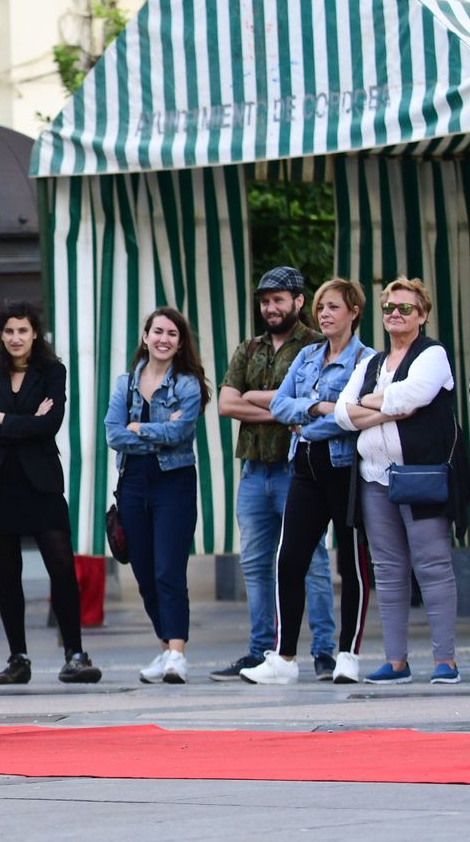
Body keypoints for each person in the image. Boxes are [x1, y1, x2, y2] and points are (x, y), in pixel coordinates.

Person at [335, 277, 468, 686]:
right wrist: (382, 411)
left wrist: (370, 405)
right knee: (388, 569)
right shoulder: (370, 363)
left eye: (405, 308)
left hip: (420, 476)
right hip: (374, 477)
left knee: (432, 565)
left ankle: (444, 660)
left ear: (422, 314)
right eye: (389, 307)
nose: (395, 313)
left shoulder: (434, 354)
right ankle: (396, 662)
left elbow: (410, 397)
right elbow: (342, 412)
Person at [242, 279, 375, 686]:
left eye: (333, 307)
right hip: (303, 467)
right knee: (289, 559)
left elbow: (354, 416)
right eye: (321, 308)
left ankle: (348, 653)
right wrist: (317, 407)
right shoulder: (308, 355)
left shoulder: (367, 361)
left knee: (350, 563)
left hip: (345, 468)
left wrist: (311, 424)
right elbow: (282, 405)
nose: (324, 314)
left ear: (353, 311)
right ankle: (283, 657)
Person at [0, 301, 100, 685]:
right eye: (8, 331)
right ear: (1, 334)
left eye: (22, 330)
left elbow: (51, 425)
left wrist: (3, 419)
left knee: (61, 568)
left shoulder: (52, 371)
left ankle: (75, 654)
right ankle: (17, 658)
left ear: (35, 333)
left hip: (40, 484)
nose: (15, 338)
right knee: (8, 575)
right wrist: (25, 423)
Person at [213, 267, 338, 682]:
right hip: (253, 471)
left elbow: (315, 400)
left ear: (298, 301)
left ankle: (324, 652)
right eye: (265, 301)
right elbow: (227, 403)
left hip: (296, 469)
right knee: (255, 563)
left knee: (312, 562)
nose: (270, 308)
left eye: (278, 300)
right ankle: (261, 652)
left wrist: (273, 401)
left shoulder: (317, 346)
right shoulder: (248, 349)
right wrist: (283, 408)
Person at [105, 307, 209, 684]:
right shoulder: (124, 383)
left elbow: (181, 435)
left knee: (169, 569)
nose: (164, 339)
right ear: (145, 336)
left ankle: (178, 654)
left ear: (180, 343)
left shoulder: (187, 384)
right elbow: (114, 434)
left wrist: (139, 428)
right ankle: (165, 647)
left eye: (172, 334)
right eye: (158, 331)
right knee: (144, 572)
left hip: (174, 482)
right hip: (132, 482)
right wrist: (157, 428)